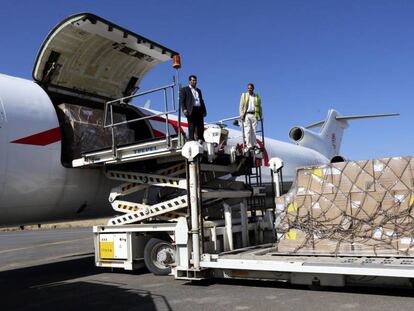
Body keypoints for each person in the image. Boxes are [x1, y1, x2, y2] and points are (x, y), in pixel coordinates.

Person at [180, 75, 207, 141]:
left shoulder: (198, 90)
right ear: (189, 81)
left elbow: (201, 100)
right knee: (191, 125)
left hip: (199, 109)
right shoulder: (184, 89)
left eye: (195, 80)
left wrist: (204, 110)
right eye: (193, 80)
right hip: (191, 110)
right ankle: (191, 139)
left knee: (200, 125)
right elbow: (182, 100)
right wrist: (184, 109)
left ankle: (201, 138)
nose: (195, 82)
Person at [239, 83, 263, 151]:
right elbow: (241, 106)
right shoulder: (244, 95)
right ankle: (249, 145)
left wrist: (261, 116)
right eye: (248, 88)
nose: (249, 89)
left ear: (253, 89)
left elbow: (259, 107)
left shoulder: (257, 96)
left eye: (251, 88)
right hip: (246, 114)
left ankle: (254, 145)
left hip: (254, 115)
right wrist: (241, 115)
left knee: (254, 131)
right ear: (247, 89)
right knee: (248, 130)